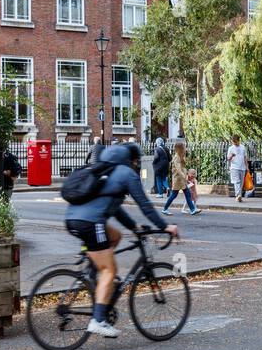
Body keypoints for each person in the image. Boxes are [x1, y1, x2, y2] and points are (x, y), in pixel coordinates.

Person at [64, 142, 178, 338]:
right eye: (136, 161)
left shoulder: (103, 171)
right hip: (91, 224)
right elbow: (145, 205)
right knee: (110, 270)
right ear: (131, 160)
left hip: (73, 220)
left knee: (115, 236)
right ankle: (98, 320)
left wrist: (133, 227)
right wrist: (164, 226)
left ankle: (93, 273)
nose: (137, 164)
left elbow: (114, 208)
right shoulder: (126, 173)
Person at [163, 141, 199, 215]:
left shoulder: (180, 156)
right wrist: (185, 177)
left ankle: (192, 210)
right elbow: (178, 169)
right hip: (178, 179)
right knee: (174, 195)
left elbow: (184, 165)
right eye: (184, 147)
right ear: (180, 148)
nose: (185, 148)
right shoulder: (176, 157)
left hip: (181, 179)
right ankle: (165, 209)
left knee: (187, 194)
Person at [226, 135, 248, 202]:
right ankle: (238, 195)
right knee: (237, 182)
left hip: (242, 167)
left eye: (236, 142)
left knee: (241, 183)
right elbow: (228, 158)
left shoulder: (243, 147)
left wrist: (247, 166)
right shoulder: (231, 148)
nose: (235, 143)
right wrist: (232, 156)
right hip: (234, 167)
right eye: (234, 142)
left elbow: (245, 157)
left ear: (239, 140)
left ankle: (239, 196)